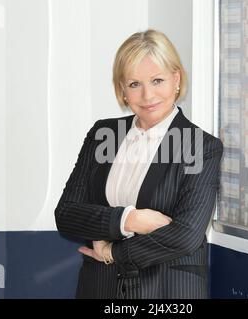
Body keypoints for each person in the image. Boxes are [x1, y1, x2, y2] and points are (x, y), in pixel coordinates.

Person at [54, 29, 223, 299]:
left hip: (167, 292)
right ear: (122, 88)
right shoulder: (102, 135)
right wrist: (129, 219)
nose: (148, 96)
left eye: (157, 80)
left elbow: (186, 236)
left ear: (176, 79)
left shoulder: (199, 145)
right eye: (134, 84)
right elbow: (66, 215)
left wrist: (111, 252)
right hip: (100, 289)